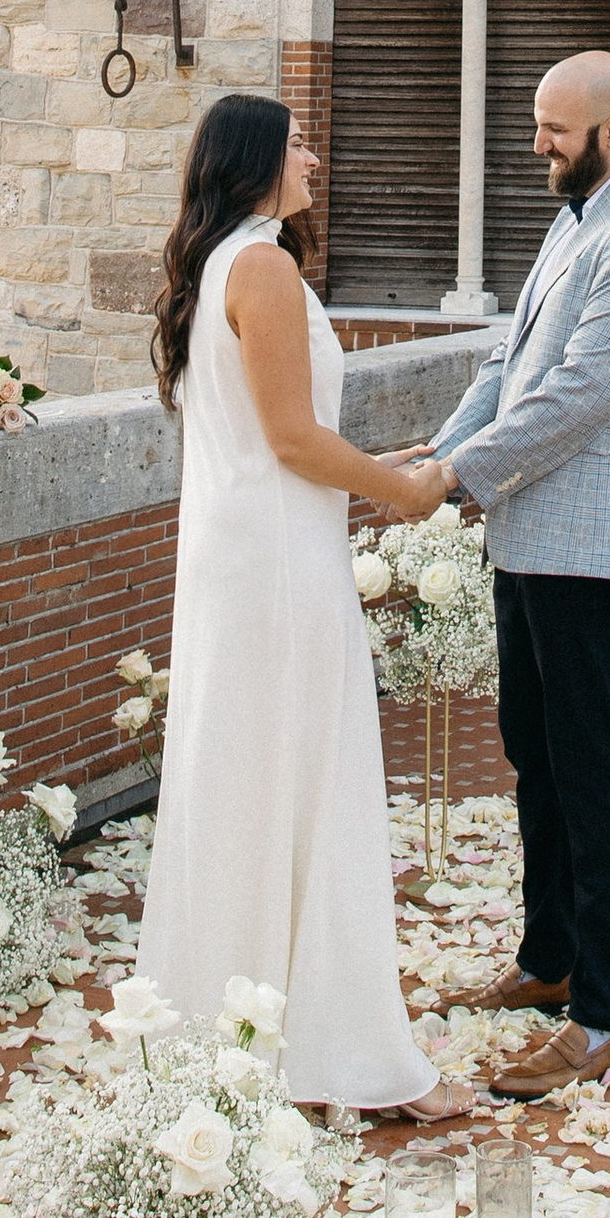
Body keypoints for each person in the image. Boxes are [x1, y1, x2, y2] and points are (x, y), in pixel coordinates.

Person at [135, 90, 473, 1121]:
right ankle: (350, 1058)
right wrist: (405, 488)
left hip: (246, 558)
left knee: (245, 782)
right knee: (309, 784)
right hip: (282, 567)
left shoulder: (219, 266)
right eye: (297, 145)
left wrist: (374, 462)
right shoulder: (265, 264)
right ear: (251, 163)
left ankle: (233, 1034)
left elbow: (274, 432)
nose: (315, 158)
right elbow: (289, 437)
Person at [399, 50, 610, 1098]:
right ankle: (549, 960)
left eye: (551, 129)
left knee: (592, 767)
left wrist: (455, 476)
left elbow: (582, 391)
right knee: (532, 753)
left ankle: (606, 1016)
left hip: (593, 540)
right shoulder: (578, 216)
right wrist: (432, 455)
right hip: (529, 528)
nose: (535, 145)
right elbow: (510, 363)